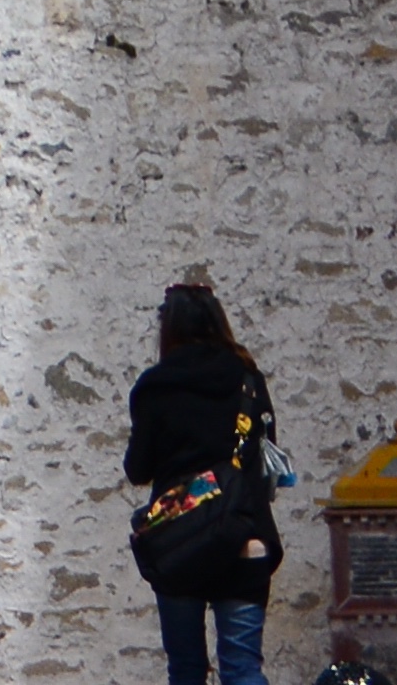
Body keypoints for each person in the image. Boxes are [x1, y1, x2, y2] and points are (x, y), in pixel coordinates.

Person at [118, 277, 282, 685]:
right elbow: (266, 456)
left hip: (180, 540)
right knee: (243, 667)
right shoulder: (248, 380)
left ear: (168, 329)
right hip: (244, 531)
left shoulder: (154, 387)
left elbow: (138, 469)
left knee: (187, 669)